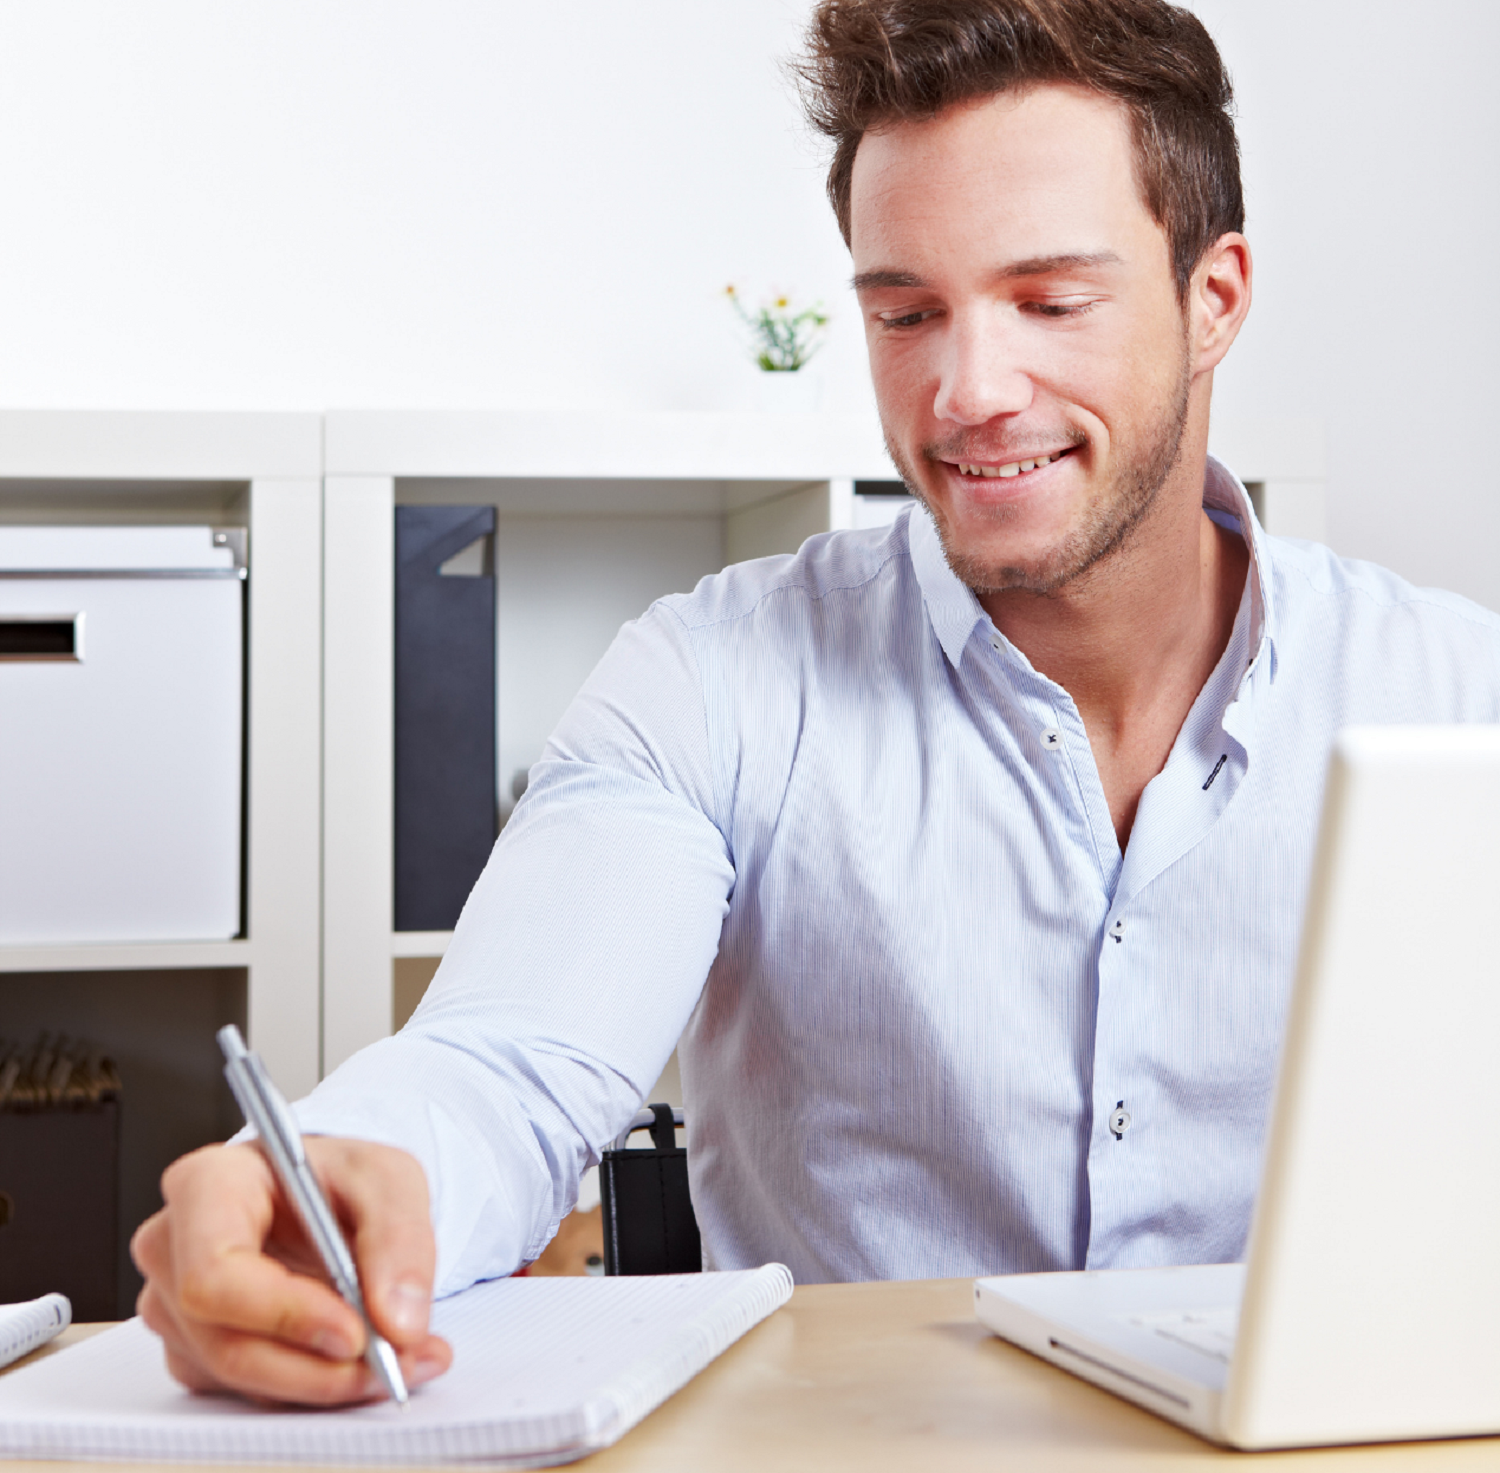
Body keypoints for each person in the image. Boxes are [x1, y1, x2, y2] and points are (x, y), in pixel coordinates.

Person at [132, 0, 1500, 1406]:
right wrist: (351, 1185)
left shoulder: (1460, 701)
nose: (966, 391)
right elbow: (508, 1063)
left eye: (1049, 302)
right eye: (906, 312)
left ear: (1214, 299)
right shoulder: (714, 682)